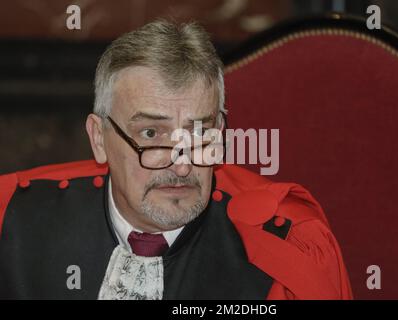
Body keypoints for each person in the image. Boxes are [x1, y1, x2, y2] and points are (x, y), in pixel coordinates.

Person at [0, 20, 352, 300]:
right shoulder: (11, 219)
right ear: (99, 138)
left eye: (199, 132)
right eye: (152, 134)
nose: (183, 165)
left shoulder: (287, 250)